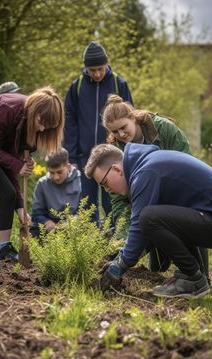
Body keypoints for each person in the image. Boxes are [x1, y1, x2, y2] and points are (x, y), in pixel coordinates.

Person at [85, 143, 212, 298]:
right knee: (152, 219)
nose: (107, 190)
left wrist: (120, 265)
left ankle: (192, 278)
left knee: (148, 217)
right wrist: (122, 257)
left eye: (105, 183)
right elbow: (151, 230)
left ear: (116, 169)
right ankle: (194, 275)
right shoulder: (146, 164)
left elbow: (142, 225)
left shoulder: (145, 173)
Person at [102, 94, 209, 279]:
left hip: (177, 195)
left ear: (133, 117)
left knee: (189, 219)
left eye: (123, 128)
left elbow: (186, 167)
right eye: (115, 132)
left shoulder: (165, 130)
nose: (121, 135)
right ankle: (162, 256)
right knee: (157, 267)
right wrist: (122, 236)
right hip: (144, 202)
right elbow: (119, 199)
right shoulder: (116, 148)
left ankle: (201, 274)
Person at [0, 86, 64, 262]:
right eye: (42, 122)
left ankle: (3, 250)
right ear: (35, 110)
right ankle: (4, 250)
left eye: (47, 127)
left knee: (9, 195)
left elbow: (9, 168)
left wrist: (21, 208)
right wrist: (17, 164)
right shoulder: (9, 108)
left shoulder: (29, 127)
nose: (42, 128)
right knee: (7, 194)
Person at [63, 41, 133, 223]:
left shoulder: (119, 84)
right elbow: (69, 122)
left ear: (106, 65)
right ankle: (91, 245)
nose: (97, 74)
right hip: (84, 157)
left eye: (100, 69)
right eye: (92, 70)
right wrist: (71, 156)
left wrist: (127, 150)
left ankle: (116, 240)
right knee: (86, 205)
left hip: (113, 156)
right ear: (86, 69)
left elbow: (130, 118)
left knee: (113, 202)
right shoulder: (76, 87)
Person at [30, 147, 81, 237]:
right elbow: (36, 212)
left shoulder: (80, 179)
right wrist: (46, 222)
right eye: (52, 173)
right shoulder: (42, 183)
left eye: (59, 172)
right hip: (51, 224)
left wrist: (73, 221)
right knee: (34, 228)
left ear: (68, 167)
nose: (56, 177)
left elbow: (88, 208)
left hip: (75, 221)